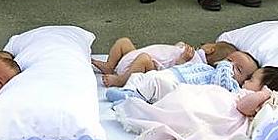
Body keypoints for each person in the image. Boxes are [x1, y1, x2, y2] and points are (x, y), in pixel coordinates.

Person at [112, 66, 278, 140]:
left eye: (251, 80)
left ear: (266, 88)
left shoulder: (258, 99)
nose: (245, 82)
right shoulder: (248, 93)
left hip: (221, 111)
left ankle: (136, 98)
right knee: (185, 96)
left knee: (189, 109)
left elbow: (243, 107)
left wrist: (262, 94)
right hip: (214, 99)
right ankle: (142, 96)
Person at [105, 48, 260, 103]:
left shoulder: (224, 85)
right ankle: (128, 91)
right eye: (228, 60)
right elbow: (186, 67)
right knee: (142, 76)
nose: (229, 66)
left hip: (177, 86)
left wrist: (226, 68)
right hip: (173, 73)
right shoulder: (206, 68)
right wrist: (181, 62)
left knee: (156, 81)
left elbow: (221, 84)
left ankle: (133, 99)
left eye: (238, 69)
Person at [93, 37, 218, 88]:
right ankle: (110, 66)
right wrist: (178, 46)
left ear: (210, 49)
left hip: (150, 68)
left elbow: (179, 74)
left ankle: (121, 80)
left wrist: (182, 61)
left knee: (144, 58)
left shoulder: (197, 65)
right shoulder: (191, 52)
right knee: (124, 42)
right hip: (133, 58)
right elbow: (170, 52)